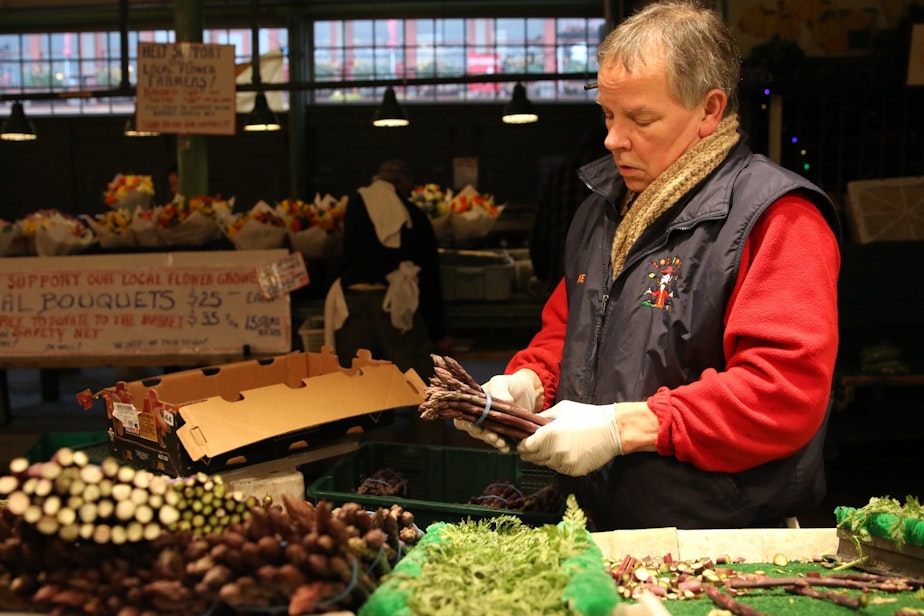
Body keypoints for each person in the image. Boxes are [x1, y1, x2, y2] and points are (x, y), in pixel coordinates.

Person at [455, 0, 841, 531]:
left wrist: (626, 426)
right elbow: (567, 333)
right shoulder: (601, 210)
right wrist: (528, 383)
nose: (613, 139)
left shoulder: (777, 216)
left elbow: (781, 394)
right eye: (609, 115)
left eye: (640, 118)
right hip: (594, 524)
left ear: (710, 110)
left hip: (720, 536)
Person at [329, 159, 453, 381]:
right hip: (396, 307)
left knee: (361, 385)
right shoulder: (413, 215)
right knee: (421, 384)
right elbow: (429, 277)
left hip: (352, 308)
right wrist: (438, 333)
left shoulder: (354, 208)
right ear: (404, 184)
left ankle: (374, 418)